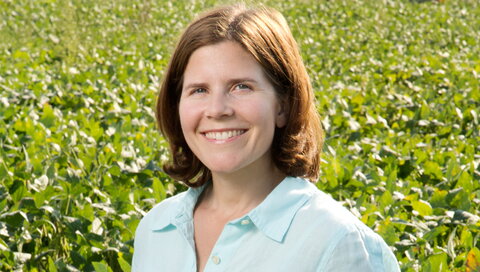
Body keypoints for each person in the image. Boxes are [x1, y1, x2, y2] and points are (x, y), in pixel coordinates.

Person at [132, 4, 400, 272]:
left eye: (241, 87)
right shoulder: (155, 229)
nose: (217, 110)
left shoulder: (337, 243)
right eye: (199, 90)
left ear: (282, 105)